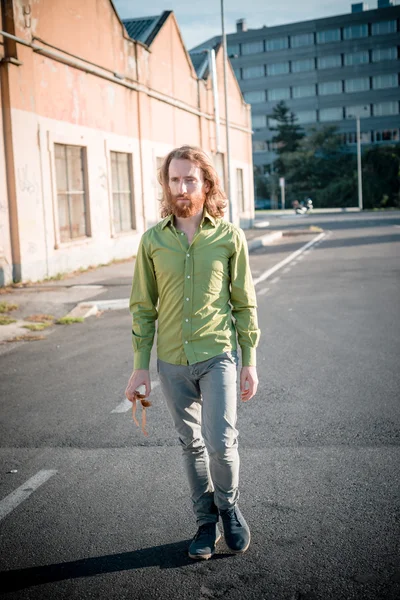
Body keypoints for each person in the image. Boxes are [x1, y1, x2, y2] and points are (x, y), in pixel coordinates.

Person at [125, 145, 260, 560]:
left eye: (190, 179)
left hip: (217, 353)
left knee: (221, 442)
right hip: (172, 362)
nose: (182, 187)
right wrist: (139, 368)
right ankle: (205, 522)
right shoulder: (152, 240)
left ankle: (229, 509)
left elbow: (244, 303)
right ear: (166, 185)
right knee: (191, 444)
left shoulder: (228, 236)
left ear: (206, 184)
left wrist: (249, 360)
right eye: (174, 179)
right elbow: (143, 308)